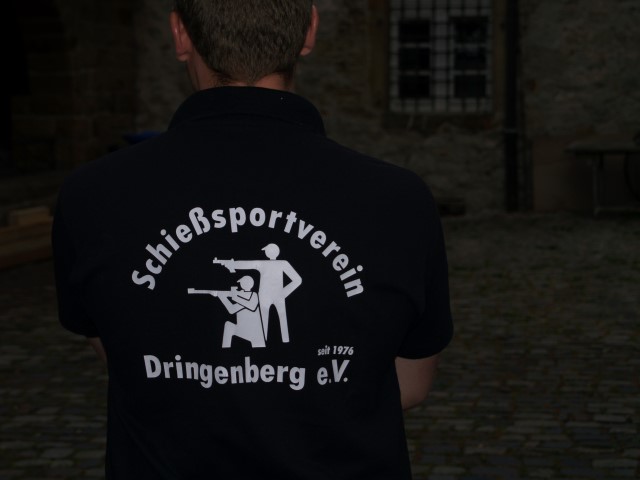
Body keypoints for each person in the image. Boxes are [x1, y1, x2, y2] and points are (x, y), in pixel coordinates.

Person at [51, 0, 454, 478]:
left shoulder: (92, 195)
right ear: (310, 30)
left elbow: (130, 362)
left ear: (180, 35)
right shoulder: (399, 200)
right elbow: (410, 385)